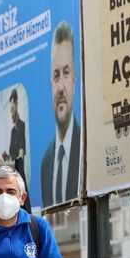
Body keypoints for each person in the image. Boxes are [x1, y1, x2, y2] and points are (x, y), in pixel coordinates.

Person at [40, 21, 81, 208]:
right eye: (56, 75)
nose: (61, 88)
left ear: (74, 80)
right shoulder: (45, 163)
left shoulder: (86, 149)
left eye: (66, 73)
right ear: (50, 85)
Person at [7, 88, 26, 162]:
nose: (11, 114)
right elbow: (12, 155)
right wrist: (6, 156)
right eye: (10, 111)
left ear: (17, 103)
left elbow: (21, 152)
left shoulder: (22, 125)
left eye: (12, 109)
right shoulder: (12, 131)